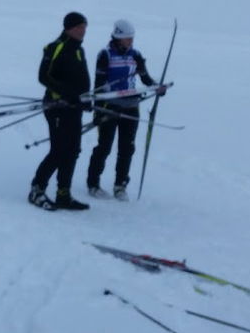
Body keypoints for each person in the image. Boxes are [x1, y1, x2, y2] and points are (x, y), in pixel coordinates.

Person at [85, 19, 162, 200]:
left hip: (131, 107)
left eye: (132, 38)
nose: (131, 41)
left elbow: (145, 78)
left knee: (127, 148)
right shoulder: (105, 55)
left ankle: (120, 185)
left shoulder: (135, 55)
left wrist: (158, 87)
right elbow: (99, 84)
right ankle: (93, 183)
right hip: (109, 107)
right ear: (118, 37)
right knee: (105, 146)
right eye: (127, 38)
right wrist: (98, 107)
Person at [30, 12, 92, 211]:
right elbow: (43, 77)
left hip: (74, 108)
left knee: (73, 151)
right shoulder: (56, 47)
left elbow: (80, 81)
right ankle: (37, 190)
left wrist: (85, 99)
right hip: (57, 107)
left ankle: (63, 194)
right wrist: (67, 94)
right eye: (80, 27)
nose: (83, 31)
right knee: (59, 151)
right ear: (69, 28)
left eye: (85, 27)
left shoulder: (78, 50)